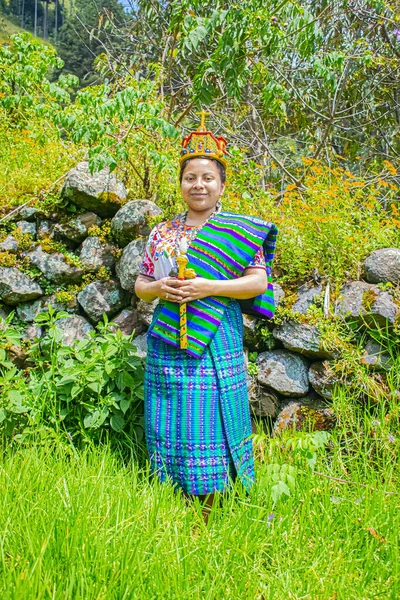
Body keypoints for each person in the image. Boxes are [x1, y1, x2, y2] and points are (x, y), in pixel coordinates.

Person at [134, 115, 278, 518]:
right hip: (168, 339)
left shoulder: (239, 230)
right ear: (180, 184)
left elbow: (258, 284)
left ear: (222, 185)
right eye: (190, 177)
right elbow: (142, 286)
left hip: (217, 337)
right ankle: (173, 497)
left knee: (210, 418)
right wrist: (160, 289)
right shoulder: (162, 234)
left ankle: (213, 505)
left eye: (207, 178)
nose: (198, 185)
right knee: (171, 416)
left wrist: (207, 287)